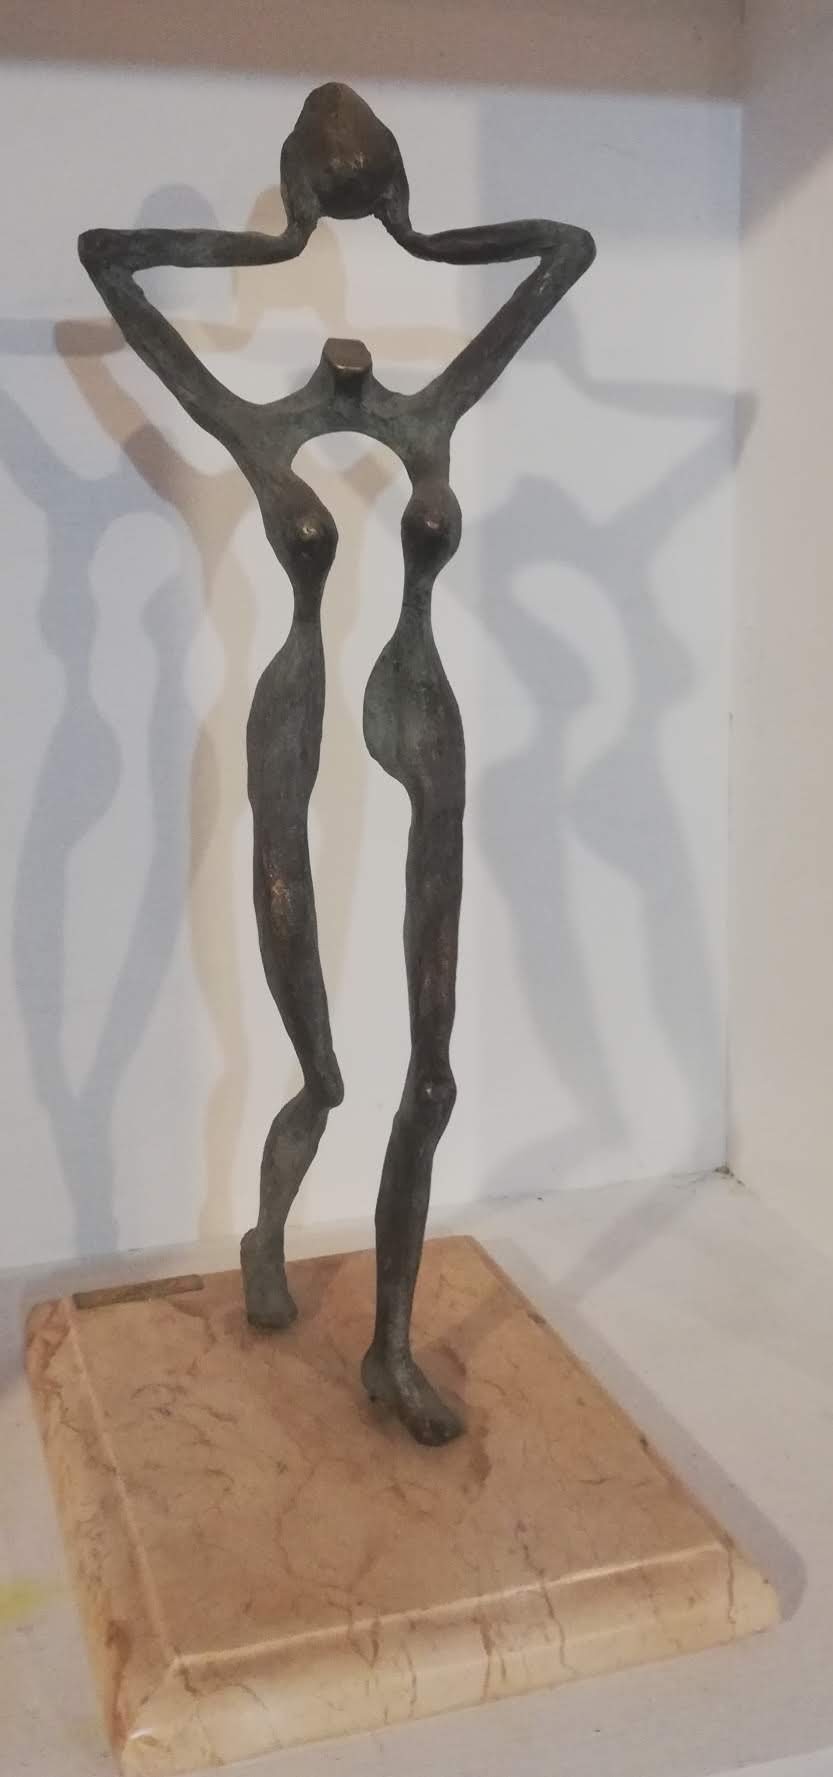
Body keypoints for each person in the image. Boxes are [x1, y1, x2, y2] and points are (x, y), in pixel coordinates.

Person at [79, 82, 596, 1444]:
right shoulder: (254, 425)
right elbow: (108, 263)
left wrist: (416, 234)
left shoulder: (434, 414)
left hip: (421, 723)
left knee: (432, 1072)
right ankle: (266, 1237)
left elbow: (565, 252)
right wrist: (275, 239)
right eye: (338, 189)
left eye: (373, 188)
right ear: (313, 191)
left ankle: (389, 1349)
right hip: (295, 726)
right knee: (321, 1064)